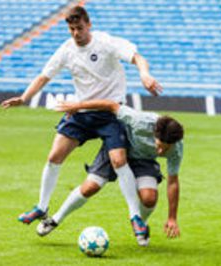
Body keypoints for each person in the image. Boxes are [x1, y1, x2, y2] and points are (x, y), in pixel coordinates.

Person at [1, 6, 162, 237]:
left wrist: (144, 74)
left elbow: (137, 57)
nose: (76, 33)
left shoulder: (105, 42)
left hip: (110, 112)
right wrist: (24, 97)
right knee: (54, 156)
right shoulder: (66, 50)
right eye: (72, 29)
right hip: (81, 112)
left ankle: (134, 216)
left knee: (118, 160)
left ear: (89, 25)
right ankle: (42, 207)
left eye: (79, 28)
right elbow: (44, 76)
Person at [37, 99, 184, 246]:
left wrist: (172, 217)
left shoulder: (176, 148)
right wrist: (77, 106)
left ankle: (141, 224)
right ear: (154, 134)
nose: (160, 152)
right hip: (118, 148)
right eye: (158, 146)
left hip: (144, 160)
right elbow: (111, 105)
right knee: (90, 187)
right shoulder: (140, 121)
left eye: (165, 149)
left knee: (149, 198)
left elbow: (173, 182)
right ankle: (55, 219)